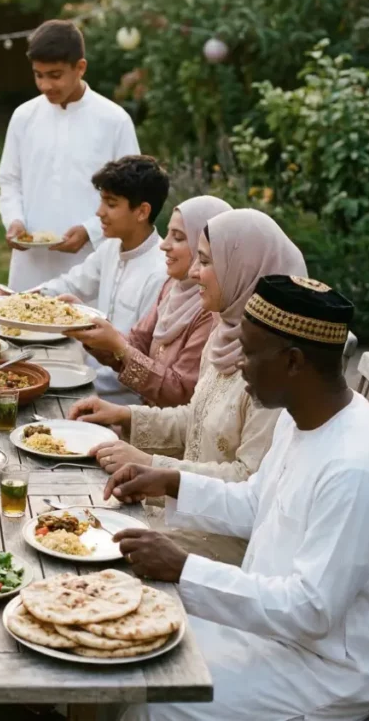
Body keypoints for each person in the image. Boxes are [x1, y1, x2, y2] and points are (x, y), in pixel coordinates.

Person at [108, 276, 369, 721]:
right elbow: (255, 503)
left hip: (326, 668)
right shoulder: (299, 416)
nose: (237, 364)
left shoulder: (355, 469)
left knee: (152, 696)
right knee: (120, 635)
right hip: (265, 626)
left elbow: (310, 610)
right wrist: (169, 481)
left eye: (249, 351)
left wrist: (184, 567)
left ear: (293, 362)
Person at [68, 209, 307, 563]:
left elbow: (248, 480)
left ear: (244, 268)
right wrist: (125, 415)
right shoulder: (224, 332)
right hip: (183, 507)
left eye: (206, 261)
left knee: (88, 540)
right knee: (74, 515)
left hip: (225, 539)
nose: (194, 271)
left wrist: (153, 466)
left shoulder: (274, 367)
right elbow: (195, 417)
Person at [0, 155, 169, 400]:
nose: (99, 212)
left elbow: (144, 357)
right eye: (101, 201)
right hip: (84, 378)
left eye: (111, 203)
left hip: (119, 400)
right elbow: (69, 284)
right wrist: (13, 300)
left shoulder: (159, 273)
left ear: (142, 212)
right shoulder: (111, 248)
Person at [0, 19, 140, 292]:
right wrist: (14, 220)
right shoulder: (24, 117)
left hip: (90, 261)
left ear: (80, 68)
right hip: (30, 263)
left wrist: (89, 231)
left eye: (55, 75)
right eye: (38, 75)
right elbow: (9, 180)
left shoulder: (114, 121)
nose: (45, 85)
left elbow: (130, 193)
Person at [65, 195, 231, 407]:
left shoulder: (210, 310)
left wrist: (119, 346)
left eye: (178, 238)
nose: (165, 245)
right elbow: (138, 343)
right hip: (146, 418)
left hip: (167, 431)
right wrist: (85, 321)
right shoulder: (173, 286)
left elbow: (180, 392)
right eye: (168, 234)